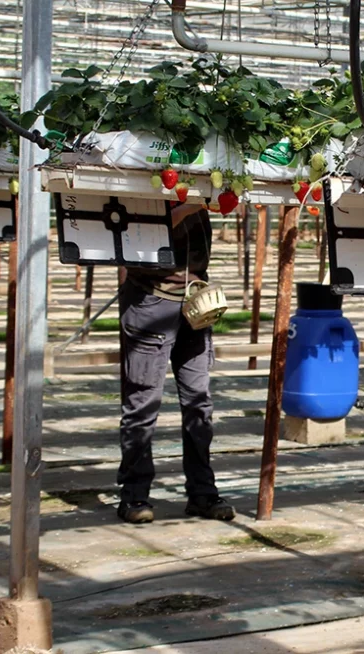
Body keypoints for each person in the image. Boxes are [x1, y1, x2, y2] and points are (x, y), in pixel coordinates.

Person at [116, 202, 235, 524]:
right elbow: (141, 229)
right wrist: (192, 203)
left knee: (199, 403)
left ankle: (202, 493)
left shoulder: (200, 174)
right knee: (142, 404)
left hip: (195, 299)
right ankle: (134, 495)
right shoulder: (145, 179)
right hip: (150, 299)